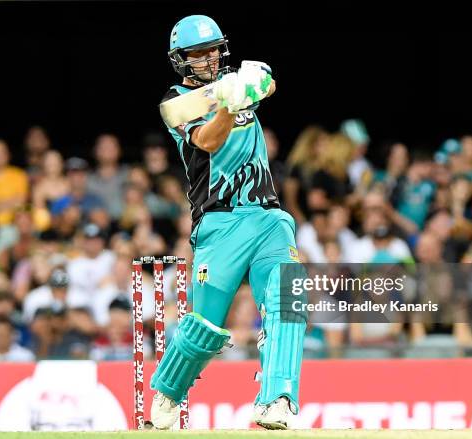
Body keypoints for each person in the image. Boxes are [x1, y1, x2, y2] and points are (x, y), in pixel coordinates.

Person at [149, 15, 305, 430]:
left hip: (268, 216)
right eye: (198, 53)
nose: (209, 58)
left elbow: (268, 83)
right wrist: (229, 103)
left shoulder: (230, 81)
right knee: (205, 328)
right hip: (219, 224)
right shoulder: (175, 101)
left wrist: (255, 80)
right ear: (181, 60)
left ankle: (277, 399)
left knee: (288, 299)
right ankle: (167, 389)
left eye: (214, 49)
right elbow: (207, 140)